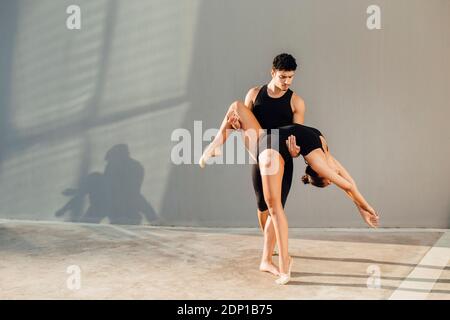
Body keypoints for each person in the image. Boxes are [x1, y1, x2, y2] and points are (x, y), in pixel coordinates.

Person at [199, 79, 380, 286]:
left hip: (271, 146)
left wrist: (362, 207)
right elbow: (348, 184)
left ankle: (279, 262)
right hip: (266, 143)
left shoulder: (324, 153)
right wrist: (366, 208)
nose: (332, 179)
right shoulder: (321, 162)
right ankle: (215, 144)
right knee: (269, 208)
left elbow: (349, 183)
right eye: (329, 180)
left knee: (274, 209)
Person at [200, 54, 305, 284]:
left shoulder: (296, 102)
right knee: (262, 207)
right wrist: (236, 125)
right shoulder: (255, 94)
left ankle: (267, 258)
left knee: (274, 207)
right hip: (258, 148)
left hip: (279, 157)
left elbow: (296, 135)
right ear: (272, 72)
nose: (287, 81)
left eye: (291, 77)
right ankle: (216, 146)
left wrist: (296, 151)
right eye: (283, 76)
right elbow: (239, 121)